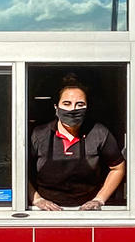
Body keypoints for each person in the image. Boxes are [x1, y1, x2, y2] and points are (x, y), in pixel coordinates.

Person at [28, 74, 125, 211]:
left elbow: (118, 168)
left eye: (79, 104)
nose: (73, 109)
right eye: (66, 104)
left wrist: (99, 200)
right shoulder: (39, 135)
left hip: (87, 211)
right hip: (45, 212)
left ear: (87, 107)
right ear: (56, 107)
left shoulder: (99, 133)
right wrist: (36, 199)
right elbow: (20, 170)